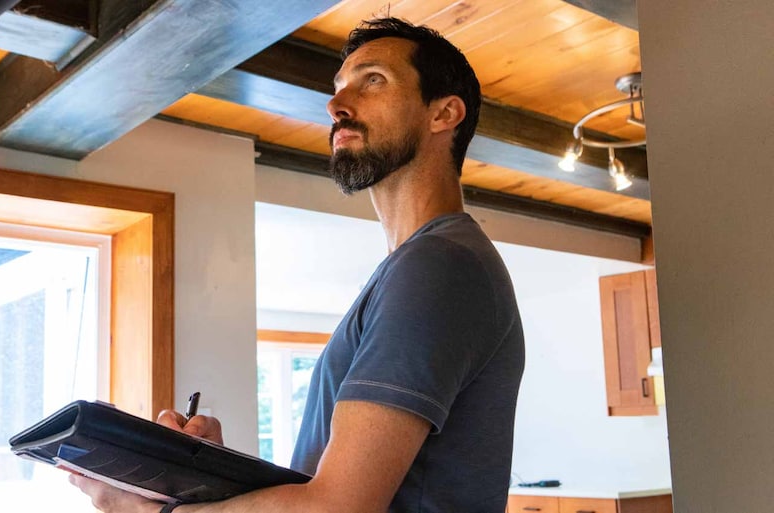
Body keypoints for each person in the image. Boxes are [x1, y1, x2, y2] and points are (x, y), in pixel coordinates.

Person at [71, 17, 525, 513]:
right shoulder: (421, 265)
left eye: (373, 80)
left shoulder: (439, 266)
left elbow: (337, 508)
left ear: (444, 114)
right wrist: (213, 473)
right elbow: (324, 490)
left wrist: (151, 510)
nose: (335, 105)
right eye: (338, 88)